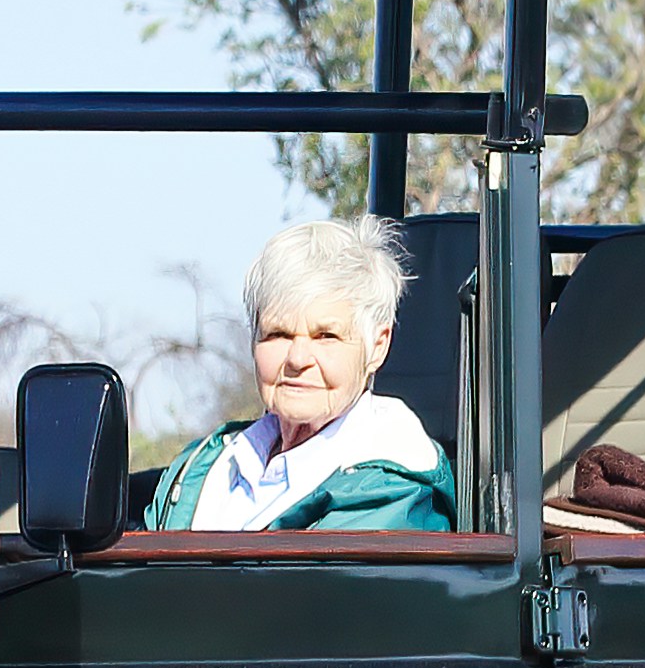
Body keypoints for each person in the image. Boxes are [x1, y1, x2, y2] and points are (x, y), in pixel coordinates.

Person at [145, 215, 457, 532]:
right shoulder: (199, 468)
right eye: (278, 334)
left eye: (326, 336)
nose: (297, 359)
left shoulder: (393, 493)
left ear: (377, 346)